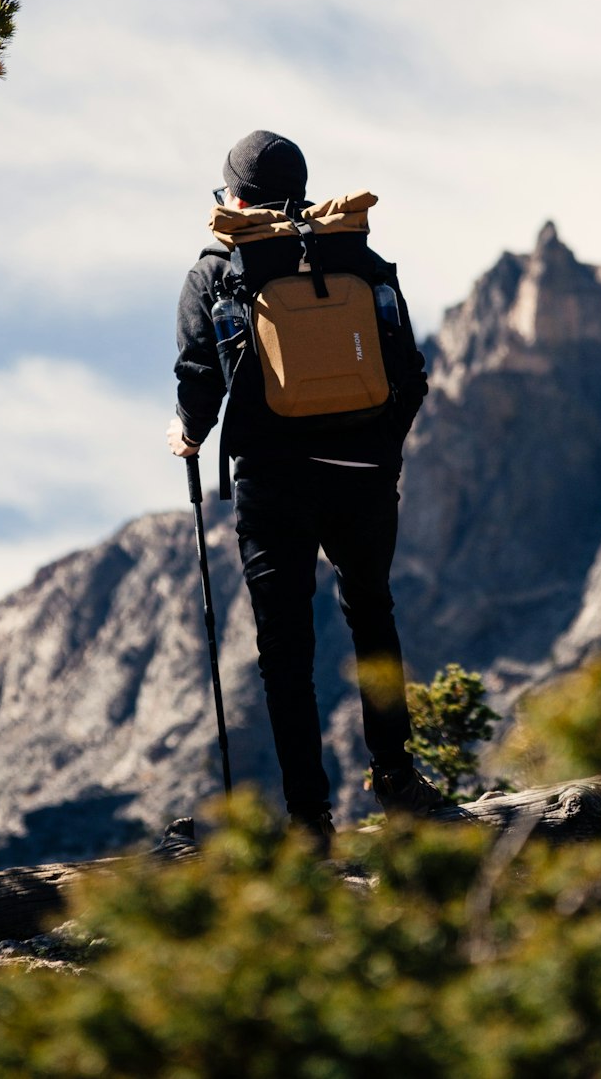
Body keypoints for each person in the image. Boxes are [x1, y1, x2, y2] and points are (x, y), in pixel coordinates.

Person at [166, 129, 442, 854]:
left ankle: (310, 820)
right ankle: (396, 777)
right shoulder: (358, 256)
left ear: (235, 196)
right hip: (362, 474)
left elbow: (200, 375)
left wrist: (188, 433)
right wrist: (381, 447)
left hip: (272, 479)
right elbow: (408, 372)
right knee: (372, 616)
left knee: (284, 648)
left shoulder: (220, 269)